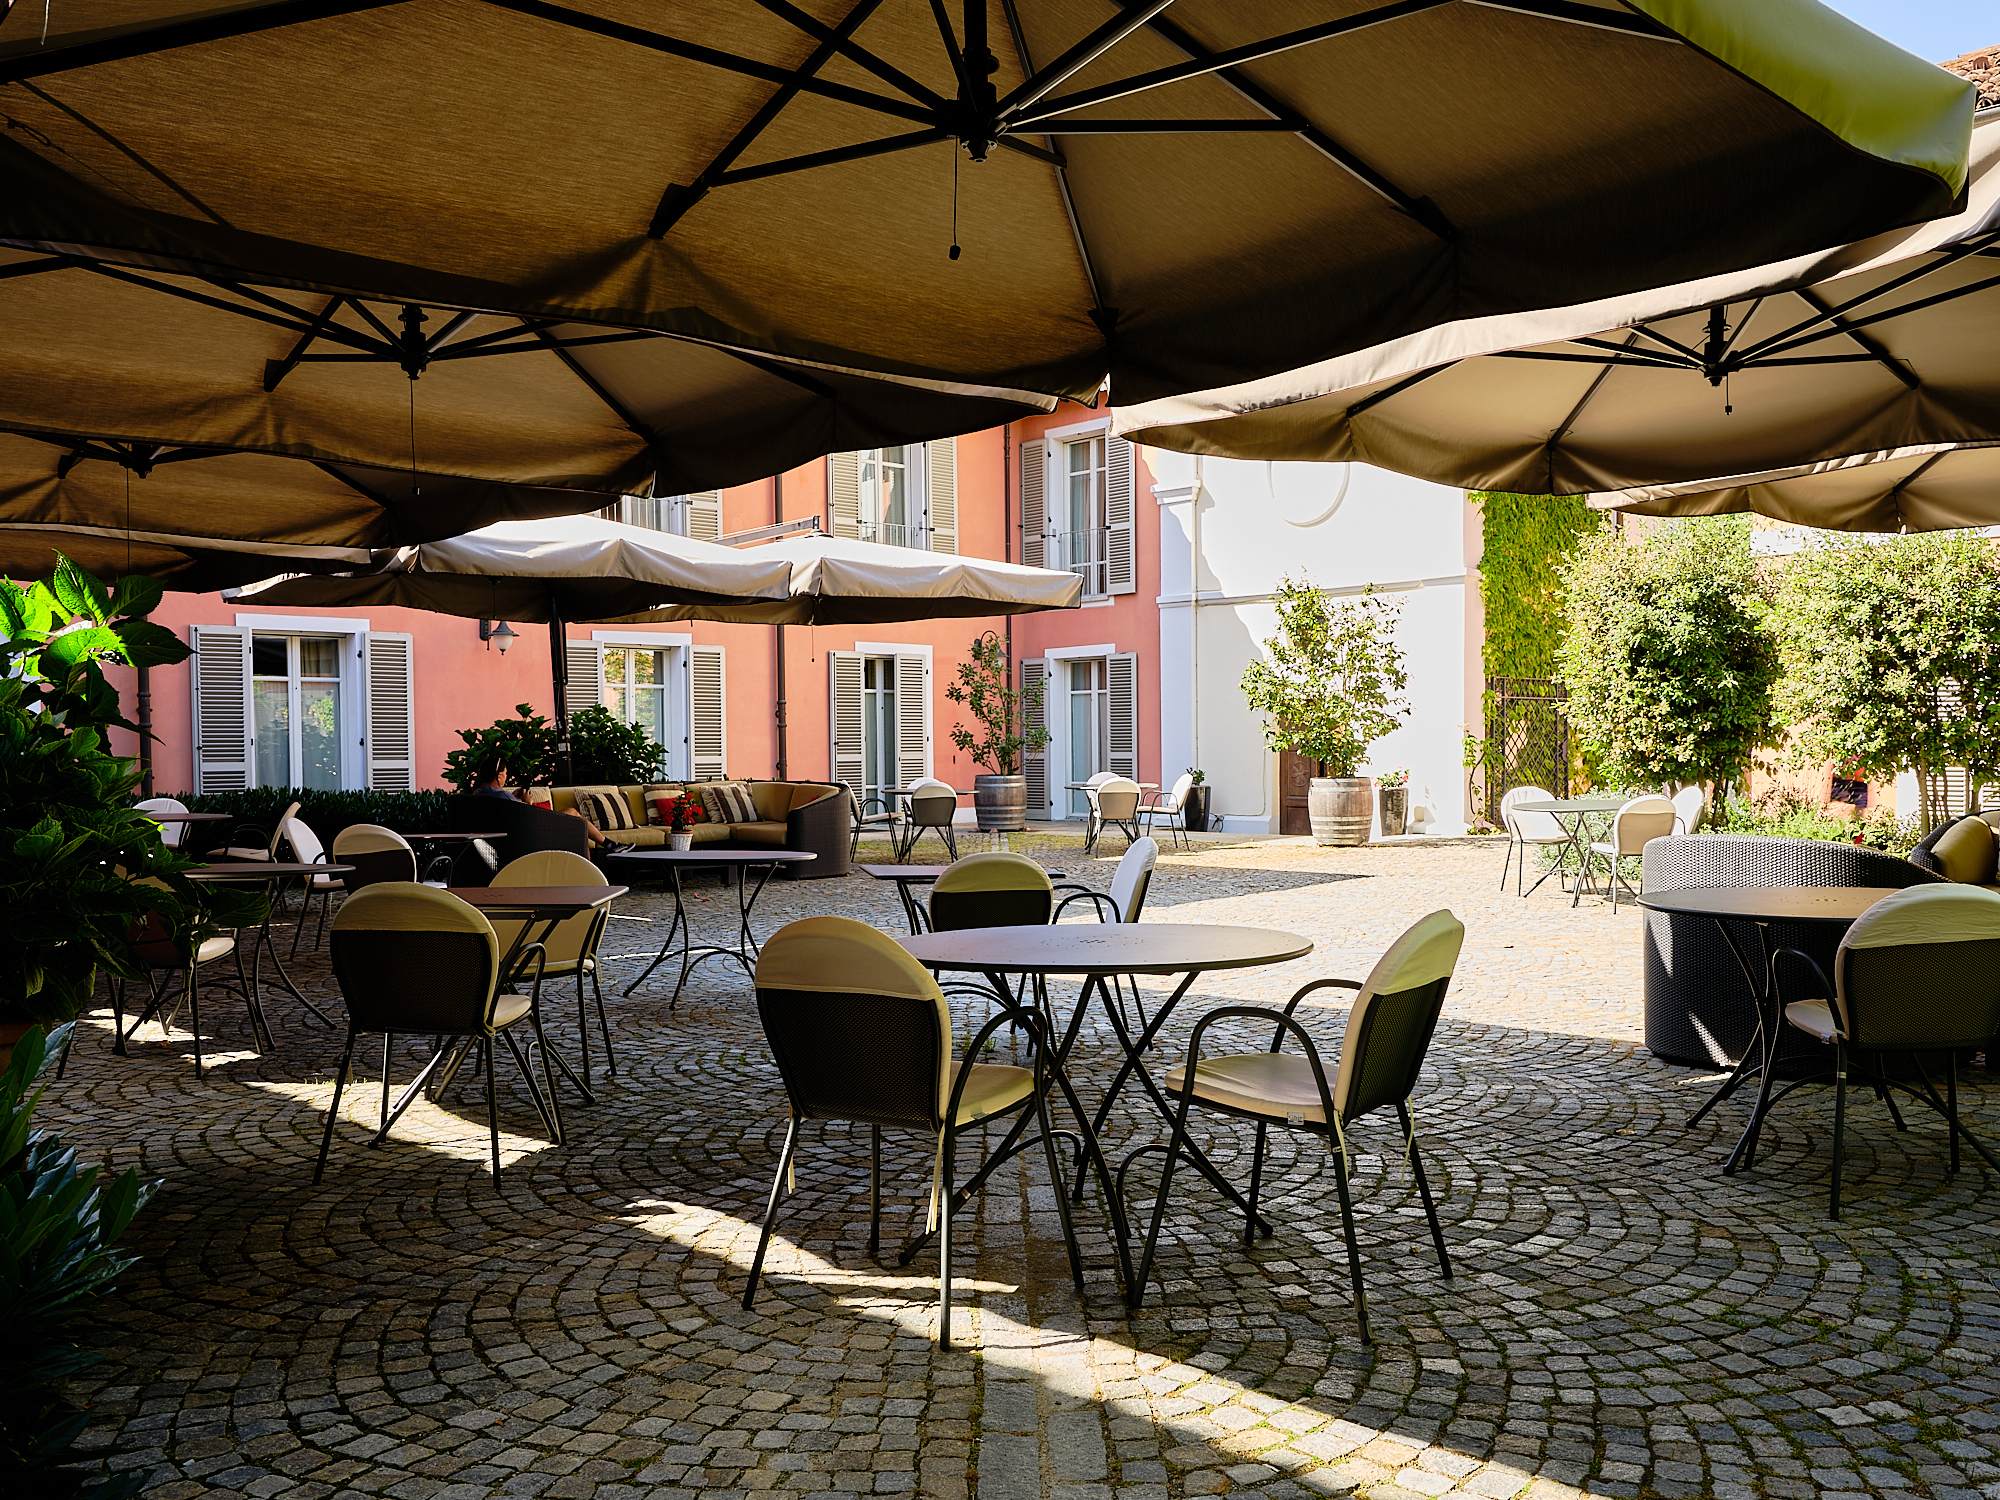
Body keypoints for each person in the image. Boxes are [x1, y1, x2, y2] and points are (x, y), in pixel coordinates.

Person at [473, 759, 631, 853]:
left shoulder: (477, 794)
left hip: (499, 839)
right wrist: (528, 803)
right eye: (505, 774)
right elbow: (526, 820)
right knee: (575, 818)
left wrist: (514, 799)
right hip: (531, 837)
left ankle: (609, 845)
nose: (506, 778)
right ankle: (609, 846)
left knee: (574, 818)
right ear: (499, 776)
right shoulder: (504, 796)